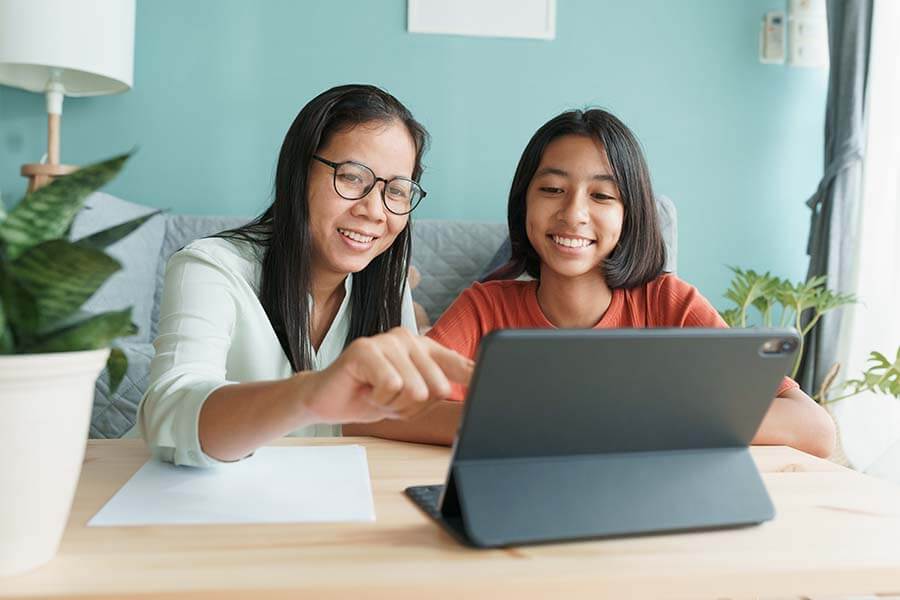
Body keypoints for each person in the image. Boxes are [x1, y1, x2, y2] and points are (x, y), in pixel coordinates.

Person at [352, 108, 836, 458]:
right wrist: (523, 426)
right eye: (552, 190)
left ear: (631, 214)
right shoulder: (486, 308)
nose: (573, 214)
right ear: (524, 202)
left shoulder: (669, 303)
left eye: (602, 195)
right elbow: (369, 412)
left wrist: (641, 426)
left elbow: (815, 427)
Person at [138, 84, 472, 467]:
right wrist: (310, 395)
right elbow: (168, 417)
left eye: (396, 190)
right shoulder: (209, 266)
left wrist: (516, 422)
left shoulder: (385, 284)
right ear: (298, 173)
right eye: (351, 177)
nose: (375, 210)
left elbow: (389, 413)